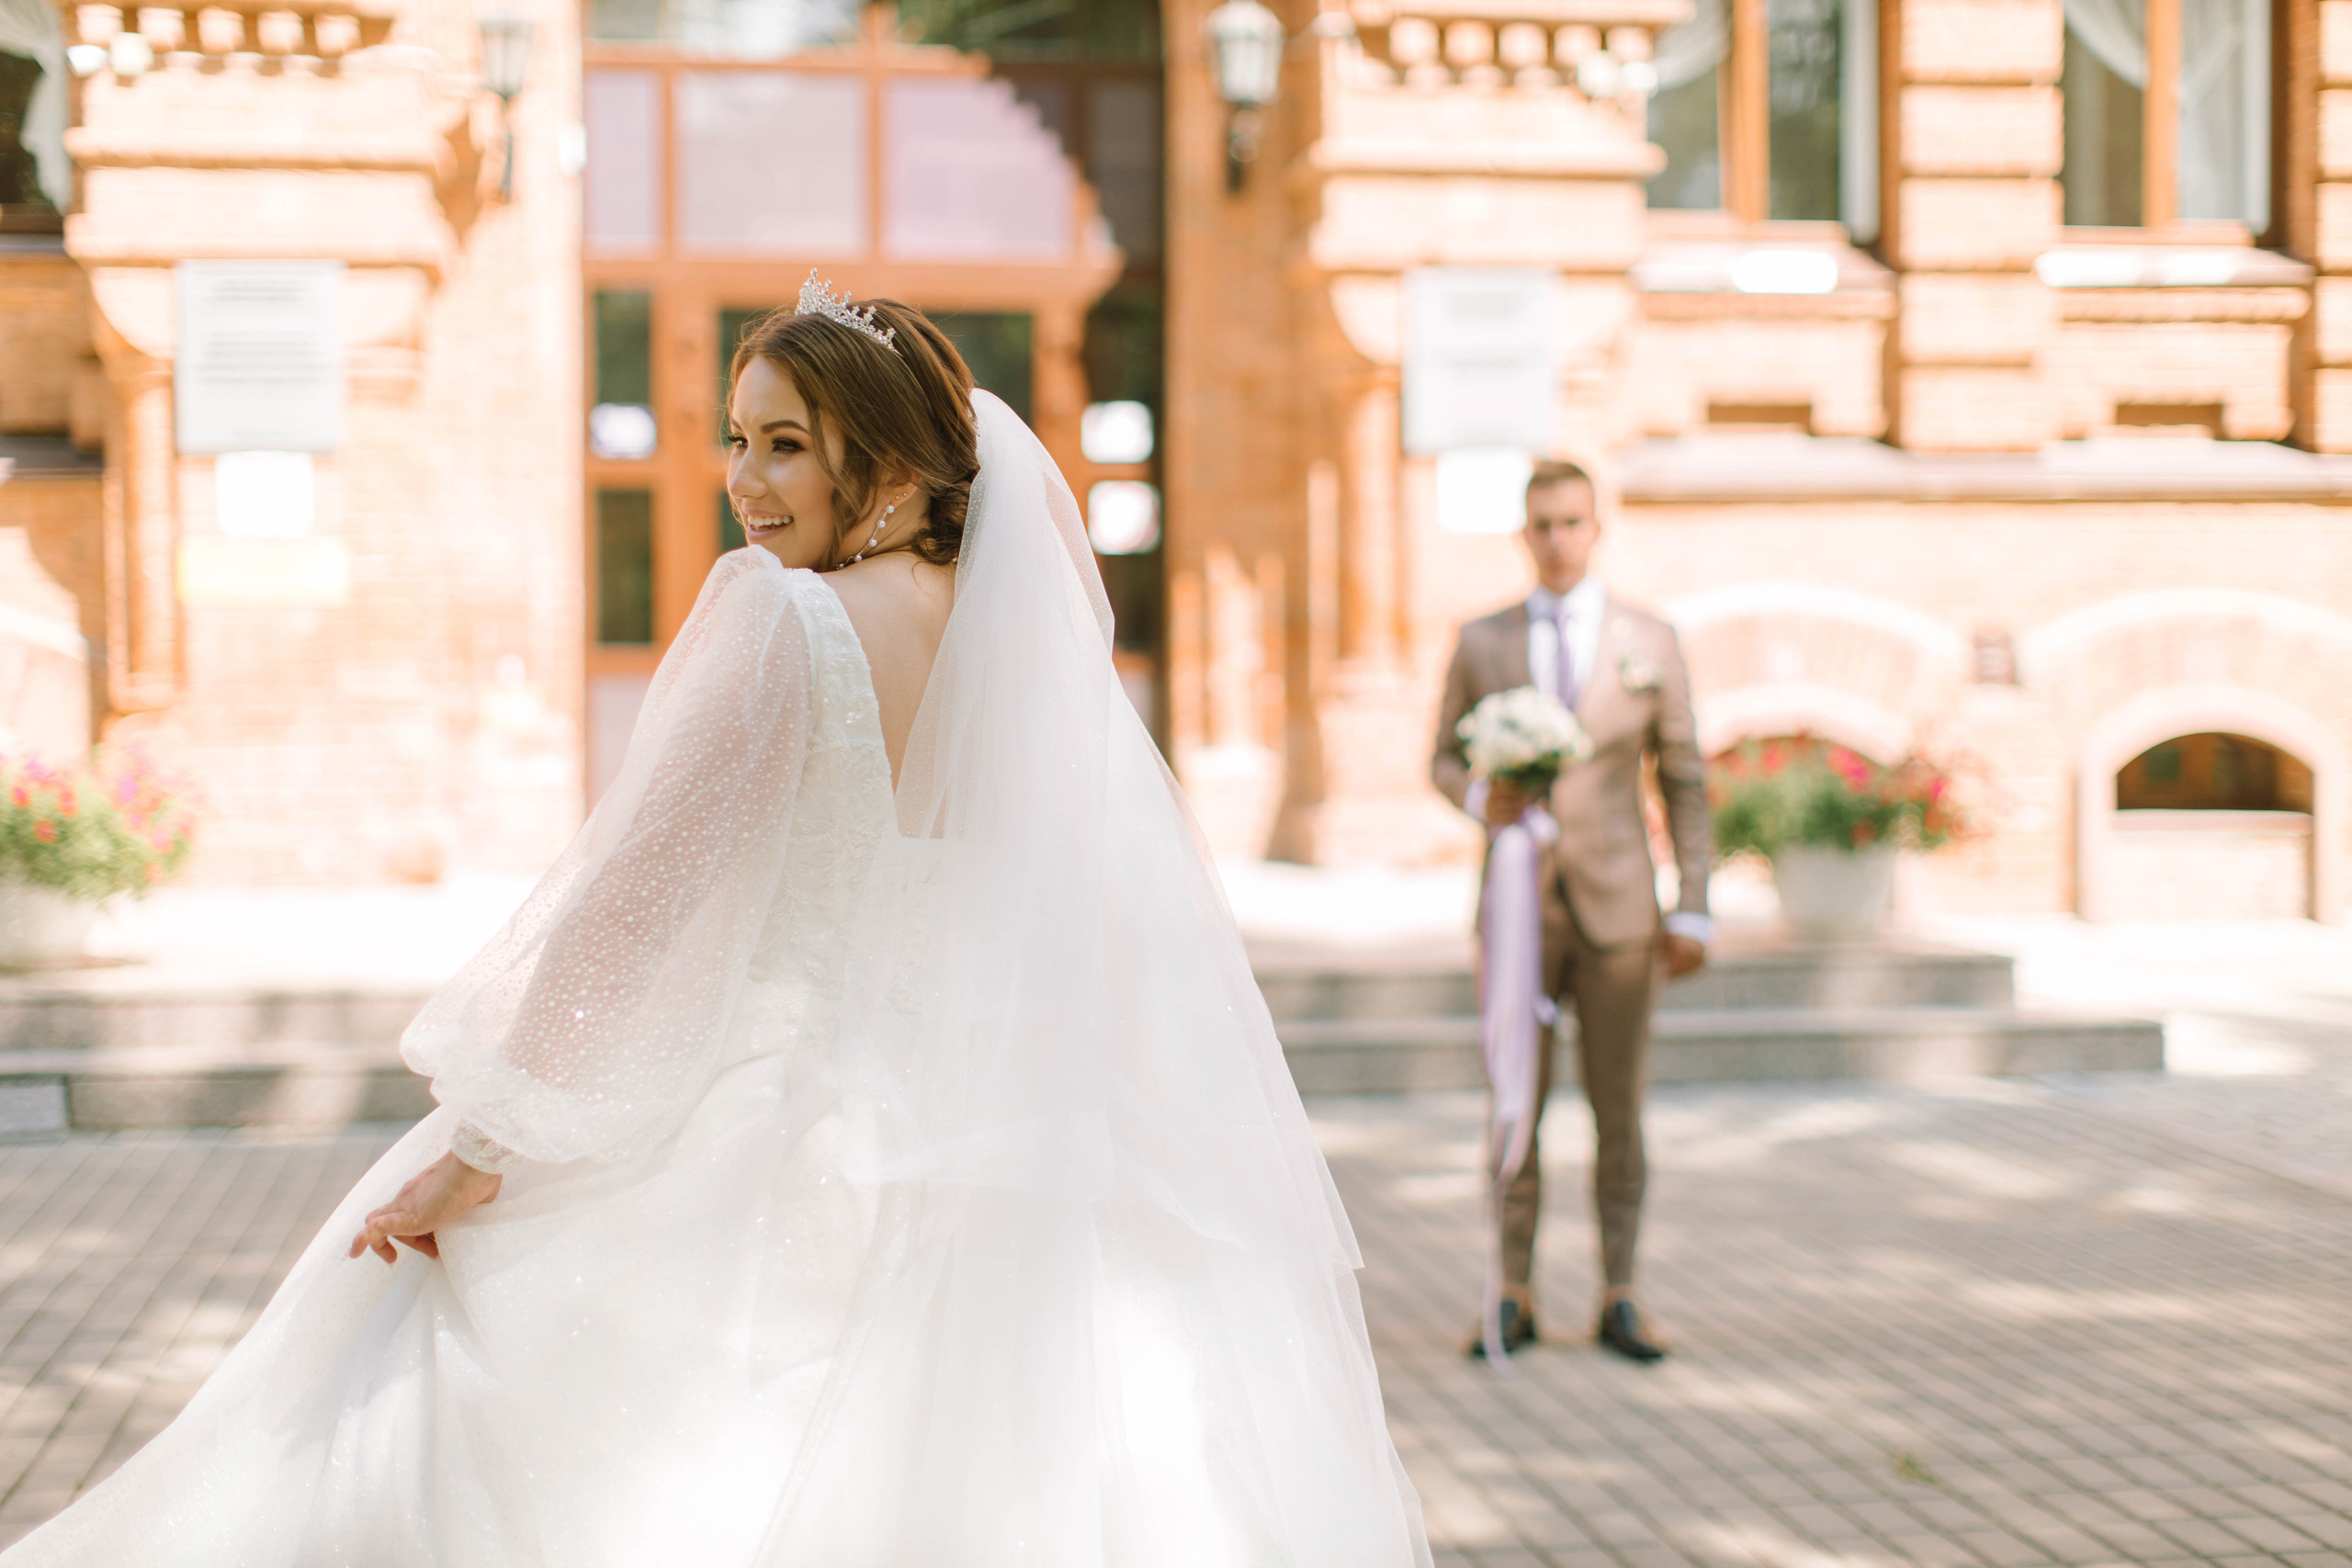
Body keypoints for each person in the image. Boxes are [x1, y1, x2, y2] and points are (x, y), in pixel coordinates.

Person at [1, 278, 1433, 1567]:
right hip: (981, 1144)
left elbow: (629, 908)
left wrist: (484, 1147)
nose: (742, 481)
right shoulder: (1019, 653)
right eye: (736, 438)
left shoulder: (784, 622)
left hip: (773, 1126)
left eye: (786, 443)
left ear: (880, 456)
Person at [1430, 459, 1711, 1365]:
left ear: (1596, 529)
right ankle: (1509, 1292)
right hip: (1516, 914)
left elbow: (1686, 779)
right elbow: (1439, 757)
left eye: (1571, 523)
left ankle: (1620, 1293)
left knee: (1617, 1110)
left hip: (1620, 911)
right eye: (1541, 525)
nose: (1556, 540)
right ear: (1525, 534)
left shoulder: (1649, 639)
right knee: (1513, 1103)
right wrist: (1481, 801)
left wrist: (1695, 903)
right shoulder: (1483, 640)